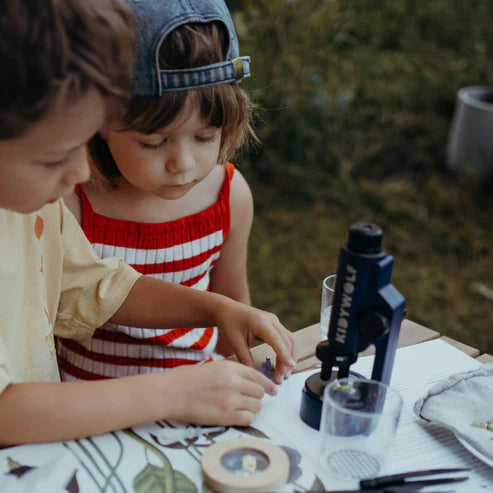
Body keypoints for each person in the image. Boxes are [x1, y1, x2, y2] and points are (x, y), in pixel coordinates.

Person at [0, 0, 295, 446]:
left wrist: (216, 309)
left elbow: (91, 285)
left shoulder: (31, 206)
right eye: (57, 156)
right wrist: (173, 392)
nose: (82, 172)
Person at [58, 0, 263, 380]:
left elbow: (233, 311)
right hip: (89, 412)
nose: (182, 164)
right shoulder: (71, 200)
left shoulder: (229, 195)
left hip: (197, 402)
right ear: (100, 119)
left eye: (205, 137)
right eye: (153, 143)